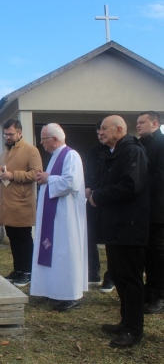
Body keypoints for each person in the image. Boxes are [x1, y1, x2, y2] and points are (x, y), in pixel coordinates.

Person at [89, 115, 148, 348]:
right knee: (120, 277)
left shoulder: (133, 152)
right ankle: (126, 322)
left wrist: (98, 196)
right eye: (100, 129)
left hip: (130, 226)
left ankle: (134, 330)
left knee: (131, 279)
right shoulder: (113, 153)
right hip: (115, 227)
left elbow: (131, 186)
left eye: (105, 128)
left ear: (120, 129)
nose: (101, 132)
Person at [30, 123, 88, 312]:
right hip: (54, 215)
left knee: (65, 253)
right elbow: (53, 179)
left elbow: (72, 182)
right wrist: (44, 178)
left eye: (43, 139)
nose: (41, 143)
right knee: (54, 252)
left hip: (66, 215)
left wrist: (49, 179)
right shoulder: (55, 157)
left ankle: (69, 295)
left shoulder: (71, 155)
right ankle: (54, 290)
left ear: (54, 139)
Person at [0, 119, 42, 287]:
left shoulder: (31, 151)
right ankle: (18, 270)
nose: (7, 137)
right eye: (5, 134)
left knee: (23, 237)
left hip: (22, 202)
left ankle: (28, 271)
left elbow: (36, 174)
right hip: (7, 202)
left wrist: (14, 175)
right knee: (12, 237)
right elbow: (0, 178)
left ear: (20, 133)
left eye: (10, 134)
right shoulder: (3, 153)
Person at [136, 111, 164, 314]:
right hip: (143, 209)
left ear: (155, 123)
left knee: (158, 253)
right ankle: (149, 290)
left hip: (158, 208)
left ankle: (160, 296)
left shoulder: (162, 144)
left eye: (141, 122)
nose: (137, 125)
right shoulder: (140, 145)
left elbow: (160, 175)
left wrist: (138, 189)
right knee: (146, 253)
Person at [84, 121, 114, 292]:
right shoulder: (94, 150)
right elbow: (88, 171)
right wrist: (88, 188)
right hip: (92, 198)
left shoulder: (120, 151)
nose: (101, 135)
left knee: (110, 238)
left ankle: (111, 277)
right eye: (98, 132)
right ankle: (93, 272)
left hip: (107, 198)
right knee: (90, 235)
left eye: (104, 131)